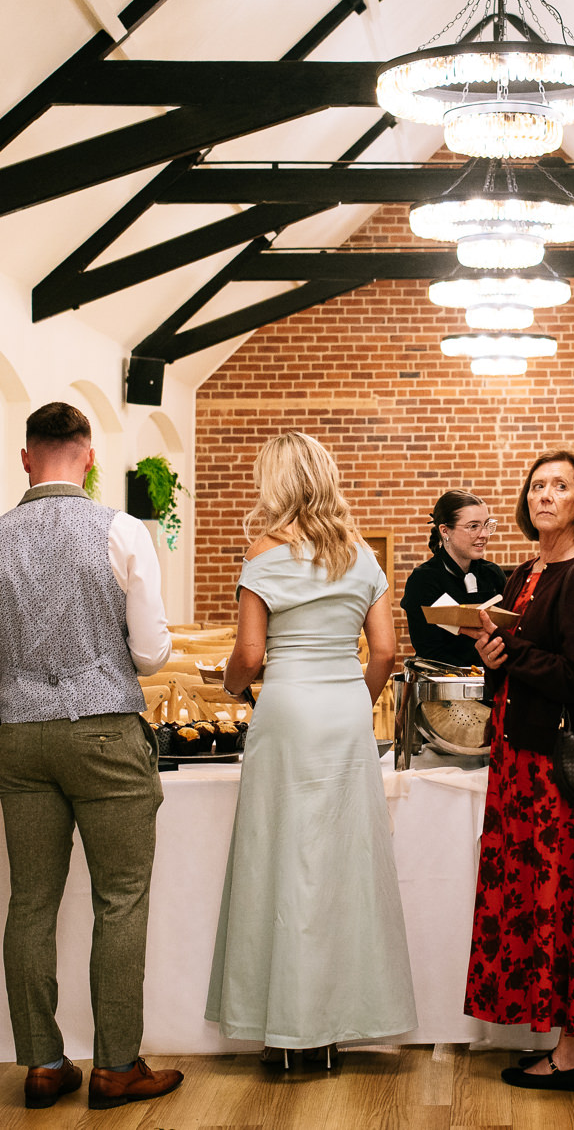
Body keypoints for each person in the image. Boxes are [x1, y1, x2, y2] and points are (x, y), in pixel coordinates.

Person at [0, 402, 180, 1112]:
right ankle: (116, 1065)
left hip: (22, 735)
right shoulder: (121, 529)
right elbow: (149, 653)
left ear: (26, 458)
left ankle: (44, 1064)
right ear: (89, 457)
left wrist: (29, 678)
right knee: (121, 898)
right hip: (107, 731)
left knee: (30, 902)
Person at [206, 432, 417, 1061]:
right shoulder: (361, 556)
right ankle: (337, 1025)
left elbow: (249, 655)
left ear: (277, 483)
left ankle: (288, 1032)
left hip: (289, 709)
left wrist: (229, 683)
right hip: (345, 711)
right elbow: (384, 652)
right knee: (346, 865)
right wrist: (355, 695)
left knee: (282, 863)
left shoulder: (262, 553)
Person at [467, 448, 574, 1093]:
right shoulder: (523, 573)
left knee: (566, 903)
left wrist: (515, 654)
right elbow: (516, 665)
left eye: (559, 486)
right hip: (519, 765)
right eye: (536, 487)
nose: (545, 496)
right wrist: (490, 653)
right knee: (538, 902)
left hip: (559, 772)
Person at [402, 489, 508, 666]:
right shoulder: (423, 580)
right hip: (445, 684)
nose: (484, 535)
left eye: (486, 525)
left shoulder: (493, 574)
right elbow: (430, 650)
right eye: (473, 526)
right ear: (445, 531)